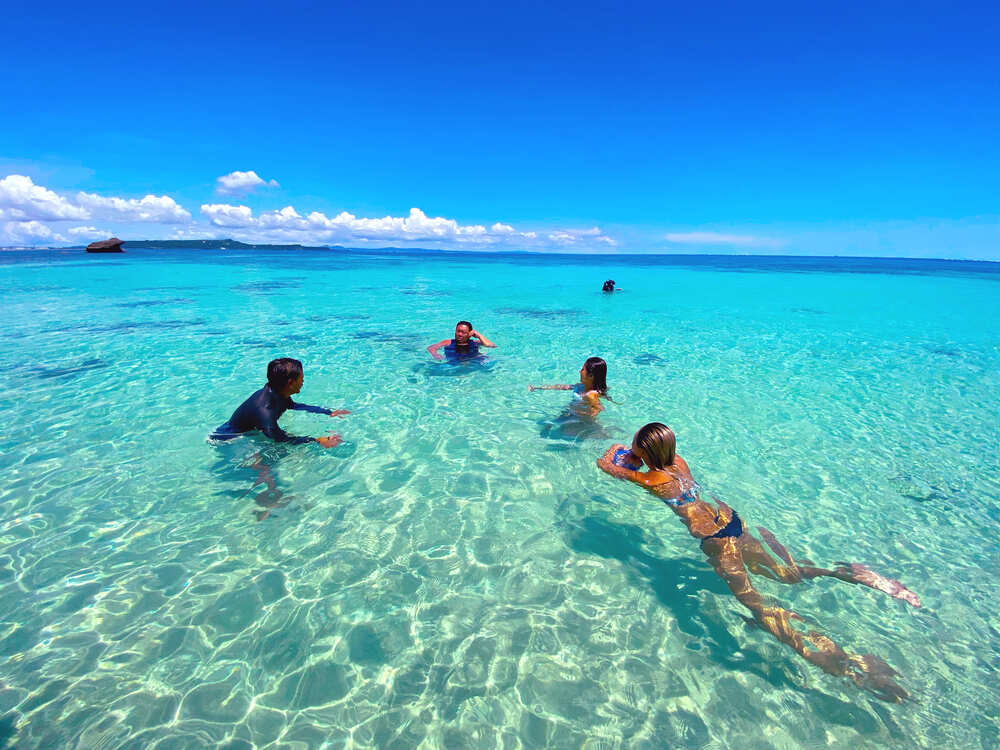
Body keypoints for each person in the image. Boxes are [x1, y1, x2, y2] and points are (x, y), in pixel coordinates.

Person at [597, 422, 921, 702]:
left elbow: (607, 463)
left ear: (645, 451)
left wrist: (623, 453)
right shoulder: (679, 462)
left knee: (759, 607)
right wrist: (640, 453)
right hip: (732, 521)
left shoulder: (651, 480)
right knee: (790, 573)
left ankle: (849, 667)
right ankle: (855, 575)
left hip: (717, 542)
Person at [211, 358, 348, 446]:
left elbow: (293, 405)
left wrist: (328, 412)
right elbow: (279, 438)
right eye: (301, 377)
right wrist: (317, 441)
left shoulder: (277, 391)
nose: (303, 380)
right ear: (290, 383)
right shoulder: (265, 410)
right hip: (228, 439)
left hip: (244, 431)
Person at [530, 356, 611, 419]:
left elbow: (599, 408)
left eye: (583, 369)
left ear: (590, 376)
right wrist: (538, 388)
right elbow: (563, 387)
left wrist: (581, 413)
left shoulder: (591, 394)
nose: (580, 371)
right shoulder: (580, 386)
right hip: (570, 414)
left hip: (577, 418)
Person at [427, 321, 496, 361]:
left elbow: (492, 346)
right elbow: (431, 348)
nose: (459, 334)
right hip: (453, 363)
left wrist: (479, 335)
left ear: (469, 333)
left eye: (463, 332)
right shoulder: (448, 342)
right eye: (458, 331)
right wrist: (435, 355)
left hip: (473, 361)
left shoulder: (475, 343)